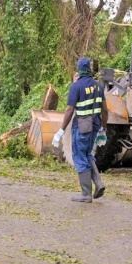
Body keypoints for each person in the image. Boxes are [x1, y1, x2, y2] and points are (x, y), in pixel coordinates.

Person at [52, 57, 107, 202]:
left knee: (79, 156)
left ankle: (86, 194)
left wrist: (61, 130)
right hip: (95, 125)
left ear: (79, 70)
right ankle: (99, 184)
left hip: (82, 127)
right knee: (88, 154)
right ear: (89, 69)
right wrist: (103, 129)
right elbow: (105, 111)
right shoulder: (99, 86)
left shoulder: (76, 87)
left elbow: (70, 110)